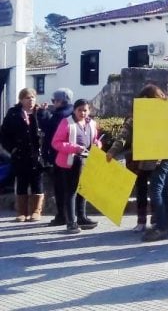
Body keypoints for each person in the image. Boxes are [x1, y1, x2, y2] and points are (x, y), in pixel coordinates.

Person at [106, 84, 168, 233]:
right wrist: (112, 151)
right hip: (140, 161)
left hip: (160, 161)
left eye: (151, 100)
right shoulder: (133, 118)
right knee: (141, 190)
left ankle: (157, 221)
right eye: (144, 100)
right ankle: (141, 221)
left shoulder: (167, 115)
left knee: (158, 191)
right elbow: (123, 136)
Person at [131, 84, 168, 242]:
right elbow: (127, 131)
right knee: (162, 191)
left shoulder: (166, 113)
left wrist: (160, 156)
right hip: (152, 157)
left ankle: (162, 227)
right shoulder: (141, 114)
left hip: (165, 157)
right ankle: (163, 225)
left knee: (156, 191)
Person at [51, 99, 102, 234]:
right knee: (71, 191)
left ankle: (82, 218)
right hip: (70, 162)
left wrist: (98, 144)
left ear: (89, 111)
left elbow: (95, 139)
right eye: (80, 110)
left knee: (83, 190)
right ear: (74, 110)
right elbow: (56, 142)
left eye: (85, 110)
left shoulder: (91, 123)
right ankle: (71, 222)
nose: (83, 113)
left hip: (86, 161)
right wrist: (74, 148)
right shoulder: (66, 122)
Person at [1, 88, 45, 222]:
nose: (30, 100)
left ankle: (36, 211)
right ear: (21, 100)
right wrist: (12, 149)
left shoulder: (40, 113)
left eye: (32, 97)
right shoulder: (13, 113)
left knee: (37, 183)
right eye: (27, 97)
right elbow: (3, 135)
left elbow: (50, 130)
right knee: (21, 183)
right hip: (20, 154)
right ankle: (22, 212)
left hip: (37, 155)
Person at [39, 88, 75, 226]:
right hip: (69, 155)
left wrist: (42, 113)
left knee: (61, 187)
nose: (53, 103)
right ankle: (70, 215)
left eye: (55, 100)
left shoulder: (61, 114)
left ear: (63, 100)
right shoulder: (70, 112)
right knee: (68, 187)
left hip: (59, 155)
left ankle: (62, 216)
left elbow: (47, 128)